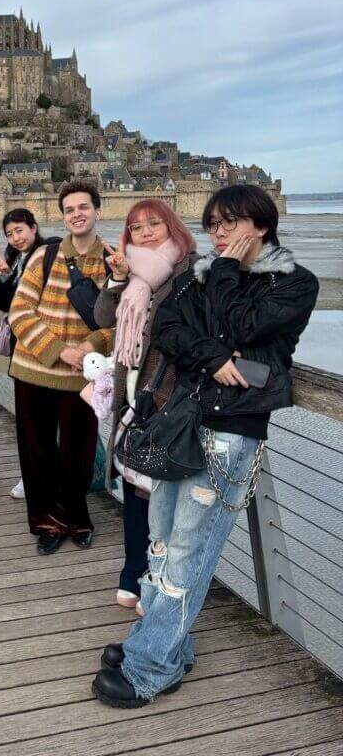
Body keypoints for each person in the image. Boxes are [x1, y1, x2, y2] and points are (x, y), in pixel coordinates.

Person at [92, 184, 319, 708]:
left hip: (232, 432)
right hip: (185, 422)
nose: (218, 232)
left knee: (189, 553)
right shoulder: (200, 279)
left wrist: (226, 272)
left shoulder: (294, 283)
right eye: (213, 223)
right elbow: (168, 329)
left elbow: (243, 322)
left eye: (230, 222)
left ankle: (150, 668)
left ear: (262, 225)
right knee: (162, 542)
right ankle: (164, 646)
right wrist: (215, 358)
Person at [92, 200, 197, 612]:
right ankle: (133, 572)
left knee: (164, 498)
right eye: (136, 227)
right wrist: (118, 278)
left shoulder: (189, 273)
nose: (146, 232)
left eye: (155, 223)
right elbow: (103, 317)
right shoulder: (134, 274)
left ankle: (157, 580)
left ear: (173, 227)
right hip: (132, 398)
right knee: (135, 492)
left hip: (166, 400)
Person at [8, 180, 113, 554]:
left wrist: (89, 346)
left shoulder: (112, 261)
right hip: (35, 370)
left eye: (83, 207)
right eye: (69, 210)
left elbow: (119, 322)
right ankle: (46, 523)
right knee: (37, 452)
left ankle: (76, 518)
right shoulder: (45, 256)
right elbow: (20, 311)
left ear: (97, 211)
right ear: (63, 216)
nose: (77, 215)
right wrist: (58, 350)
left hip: (81, 376)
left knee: (79, 454)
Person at [0, 208, 52, 500]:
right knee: (28, 417)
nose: (15, 238)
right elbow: (2, 303)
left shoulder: (50, 253)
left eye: (19, 230)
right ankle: (32, 475)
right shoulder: (14, 259)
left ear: (34, 228)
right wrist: (4, 275)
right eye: (9, 234)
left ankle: (48, 475)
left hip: (46, 348)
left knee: (45, 417)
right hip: (21, 350)